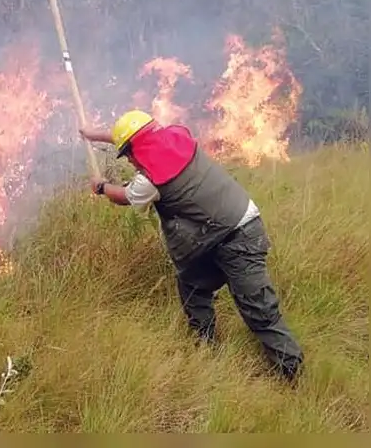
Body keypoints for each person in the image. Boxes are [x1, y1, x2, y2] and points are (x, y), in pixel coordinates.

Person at [79, 110, 304, 382]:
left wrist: (101, 188)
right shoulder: (175, 136)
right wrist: (94, 135)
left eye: (127, 153)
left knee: (258, 309)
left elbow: (125, 197)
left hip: (239, 237)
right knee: (192, 285)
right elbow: (134, 137)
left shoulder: (149, 180)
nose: (128, 159)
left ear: (135, 149)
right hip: (221, 232)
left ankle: (293, 374)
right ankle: (205, 351)